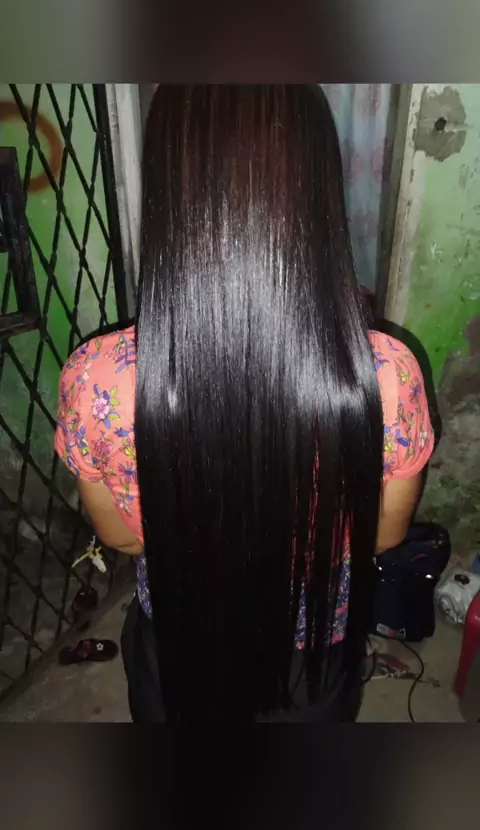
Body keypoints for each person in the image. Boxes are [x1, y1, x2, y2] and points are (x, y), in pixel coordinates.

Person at [55, 85, 435, 723]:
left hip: (179, 637)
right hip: (315, 648)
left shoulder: (97, 378)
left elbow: (120, 537)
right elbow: (384, 534)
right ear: (318, 192)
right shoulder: (385, 376)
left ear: (169, 195)